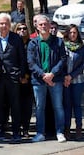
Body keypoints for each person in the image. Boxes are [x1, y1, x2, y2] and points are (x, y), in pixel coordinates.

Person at [27, 15, 67, 143]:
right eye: (41, 25)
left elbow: (62, 60)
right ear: (37, 27)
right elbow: (31, 62)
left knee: (58, 106)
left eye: (45, 24)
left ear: (50, 26)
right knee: (39, 107)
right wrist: (43, 75)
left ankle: (60, 132)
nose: (43, 26)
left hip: (56, 80)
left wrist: (52, 74)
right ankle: (40, 133)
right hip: (39, 81)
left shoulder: (58, 42)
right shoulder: (33, 43)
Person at [0, 13, 26, 143]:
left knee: (15, 105)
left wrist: (21, 74)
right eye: (1, 23)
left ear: (10, 25)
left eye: (6, 23)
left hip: (13, 77)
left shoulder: (16, 38)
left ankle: (16, 131)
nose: (4, 26)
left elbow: (22, 58)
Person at [62, 24, 84, 140]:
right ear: (67, 34)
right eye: (70, 32)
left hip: (78, 80)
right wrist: (66, 76)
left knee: (77, 105)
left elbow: (82, 65)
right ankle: (67, 129)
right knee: (67, 105)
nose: (72, 35)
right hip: (65, 81)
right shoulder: (63, 46)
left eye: (74, 32)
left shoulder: (82, 47)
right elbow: (60, 62)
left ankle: (79, 128)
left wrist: (71, 76)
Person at [13, 23, 34, 137]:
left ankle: (25, 128)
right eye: (19, 29)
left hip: (29, 80)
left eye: (24, 28)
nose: (22, 30)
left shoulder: (32, 43)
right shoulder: (13, 43)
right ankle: (17, 127)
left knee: (27, 106)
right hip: (15, 79)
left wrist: (26, 77)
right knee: (16, 105)